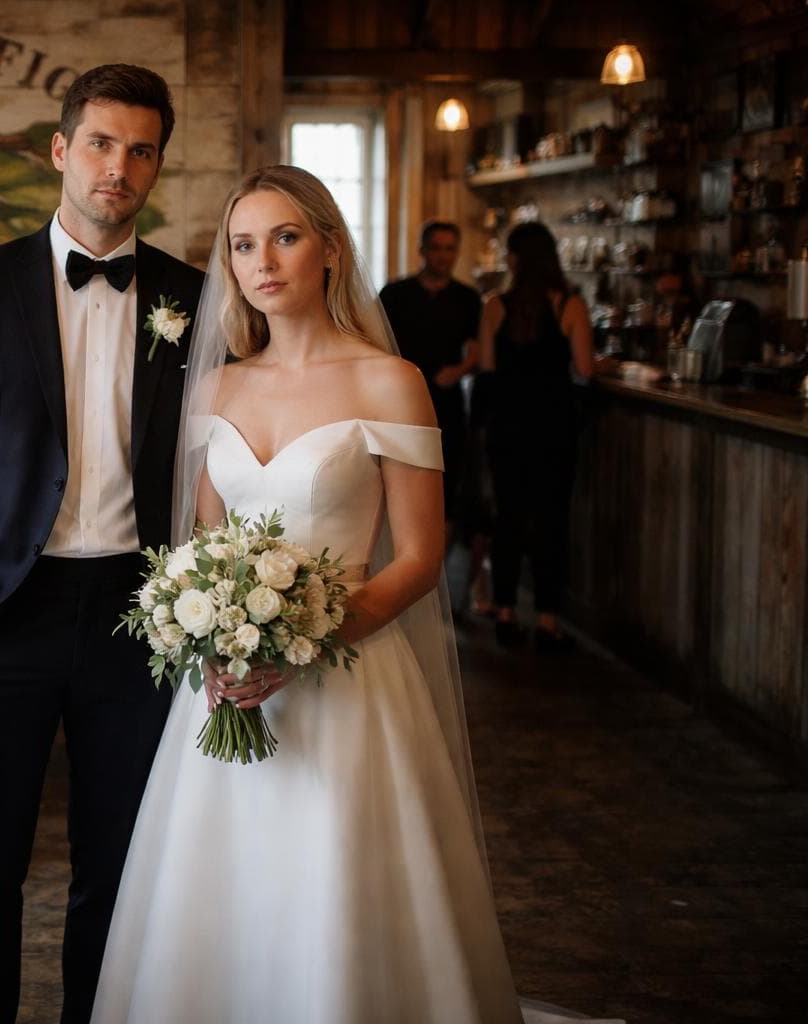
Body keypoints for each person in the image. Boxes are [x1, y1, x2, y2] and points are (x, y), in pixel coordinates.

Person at [90, 168, 613, 1024]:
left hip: (349, 679)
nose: (264, 261)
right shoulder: (217, 386)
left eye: (286, 237)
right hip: (226, 684)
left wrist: (305, 641)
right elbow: (202, 549)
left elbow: (418, 556)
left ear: (330, 249)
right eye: (244, 244)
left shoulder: (389, 381)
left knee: (334, 881)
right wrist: (217, 646)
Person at [0, 64, 205, 1024]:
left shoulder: (195, 300)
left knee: (115, 870)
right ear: (62, 151)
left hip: (141, 617)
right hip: (1, 614)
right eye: (103, 144)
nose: (120, 167)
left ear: (158, 163)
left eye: (142, 149)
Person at [476, 221, 595, 652]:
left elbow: (487, 369)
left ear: (517, 259)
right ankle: (547, 619)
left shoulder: (494, 305)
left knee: (508, 519)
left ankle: (505, 611)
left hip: (508, 427)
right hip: (553, 428)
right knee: (551, 522)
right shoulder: (570, 306)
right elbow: (585, 369)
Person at [380, 220, 482, 542]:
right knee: (399, 478)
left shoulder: (467, 298)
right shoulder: (395, 294)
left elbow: (479, 351)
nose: (442, 256)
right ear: (421, 250)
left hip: (447, 401)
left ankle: (439, 563)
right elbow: (376, 344)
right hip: (399, 402)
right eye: (436, 248)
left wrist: (460, 370)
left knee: (446, 480)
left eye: (449, 249)